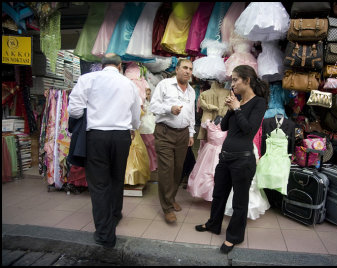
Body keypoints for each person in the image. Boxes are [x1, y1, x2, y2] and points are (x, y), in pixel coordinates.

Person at [67, 53, 141, 248]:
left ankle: (105, 235)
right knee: (116, 178)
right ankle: (115, 215)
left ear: (102, 65)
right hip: (121, 136)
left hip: (96, 136)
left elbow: (74, 109)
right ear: (119, 66)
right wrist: (132, 127)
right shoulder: (129, 84)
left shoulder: (88, 79)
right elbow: (135, 115)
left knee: (99, 185)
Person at [195, 65, 269, 254]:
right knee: (218, 195)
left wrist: (237, 109)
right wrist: (231, 108)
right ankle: (213, 224)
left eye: (235, 79)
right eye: (232, 80)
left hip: (243, 160)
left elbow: (249, 130)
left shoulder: (259, 103)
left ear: (247, 81)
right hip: (225, 157)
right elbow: (225, 126)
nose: (232, 83)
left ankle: (234, 237)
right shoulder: (239, 102)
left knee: (239, 201)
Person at [149, 58, 196, 223]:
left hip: (183, 134)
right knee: (166, 170)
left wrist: (191, 134)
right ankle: (167, 207)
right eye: (184, 67)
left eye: (190, 69)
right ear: (177, 69)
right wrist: (170, 109)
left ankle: (171, 197)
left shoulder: (191, 91)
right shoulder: (165, 85)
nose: (187, 71)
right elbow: (152, 106)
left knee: (178, 169)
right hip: (165, 132)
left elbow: (191, 115)